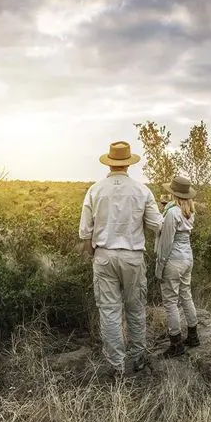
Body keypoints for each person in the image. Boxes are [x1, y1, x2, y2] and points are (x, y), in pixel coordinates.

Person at [79, 141, 163, 377]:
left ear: (110, 162)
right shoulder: (142, 191)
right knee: (135, 309)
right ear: (128, 164)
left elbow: (86, 233)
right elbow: (157, 225)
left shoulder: (95, 190)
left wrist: (93, 255)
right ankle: (137, 358)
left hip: (104, 255)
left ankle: (116, 365)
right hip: (133, 256)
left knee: (109, 311)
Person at [155, 176, 201, 358]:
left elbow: (166, 243)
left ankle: (176, 343)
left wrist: (159, 268)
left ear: (174, 193)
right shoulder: (190, 211)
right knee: (186, 295)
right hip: (187, 257)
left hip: (173, 258)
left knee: (171, 301)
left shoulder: (172, 213)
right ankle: (193, 335)